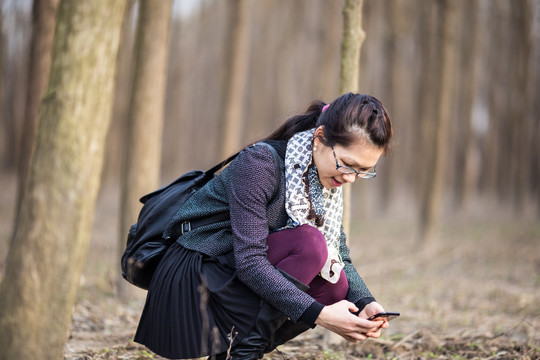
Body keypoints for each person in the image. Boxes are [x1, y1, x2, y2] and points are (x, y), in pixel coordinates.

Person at [134, 92, 394, 360]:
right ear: (319, 138)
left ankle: (241, 352)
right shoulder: (260, 164)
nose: (351, 178)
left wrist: (366, 302)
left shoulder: (325, 182)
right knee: (310, 244)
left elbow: (339, 252)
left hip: (231, 275)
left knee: (334, 283)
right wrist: (321, 314)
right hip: (194, 279)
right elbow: (250, 261)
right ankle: (241, 354)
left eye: (364, 171)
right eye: (348, 164)